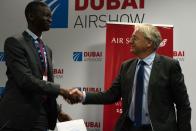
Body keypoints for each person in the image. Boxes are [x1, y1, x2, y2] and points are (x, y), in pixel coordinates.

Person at [69, 23, 191, 131]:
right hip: (130, 127)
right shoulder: (126, 66)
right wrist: (83, 96)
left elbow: (183, 105)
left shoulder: (169, 66)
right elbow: (111, 95)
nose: (130, 41)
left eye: (135, 38)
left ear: (148, 42)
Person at [0, 1, 71, 131]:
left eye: (51, 16)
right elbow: (25, 80)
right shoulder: (15, 43)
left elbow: (45, 82)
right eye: (46, 16)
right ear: (31, 16)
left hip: (42, 115)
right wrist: (61, 90)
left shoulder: (47, 49)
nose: (51, 19)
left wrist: (58, 112)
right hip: (19, 115)